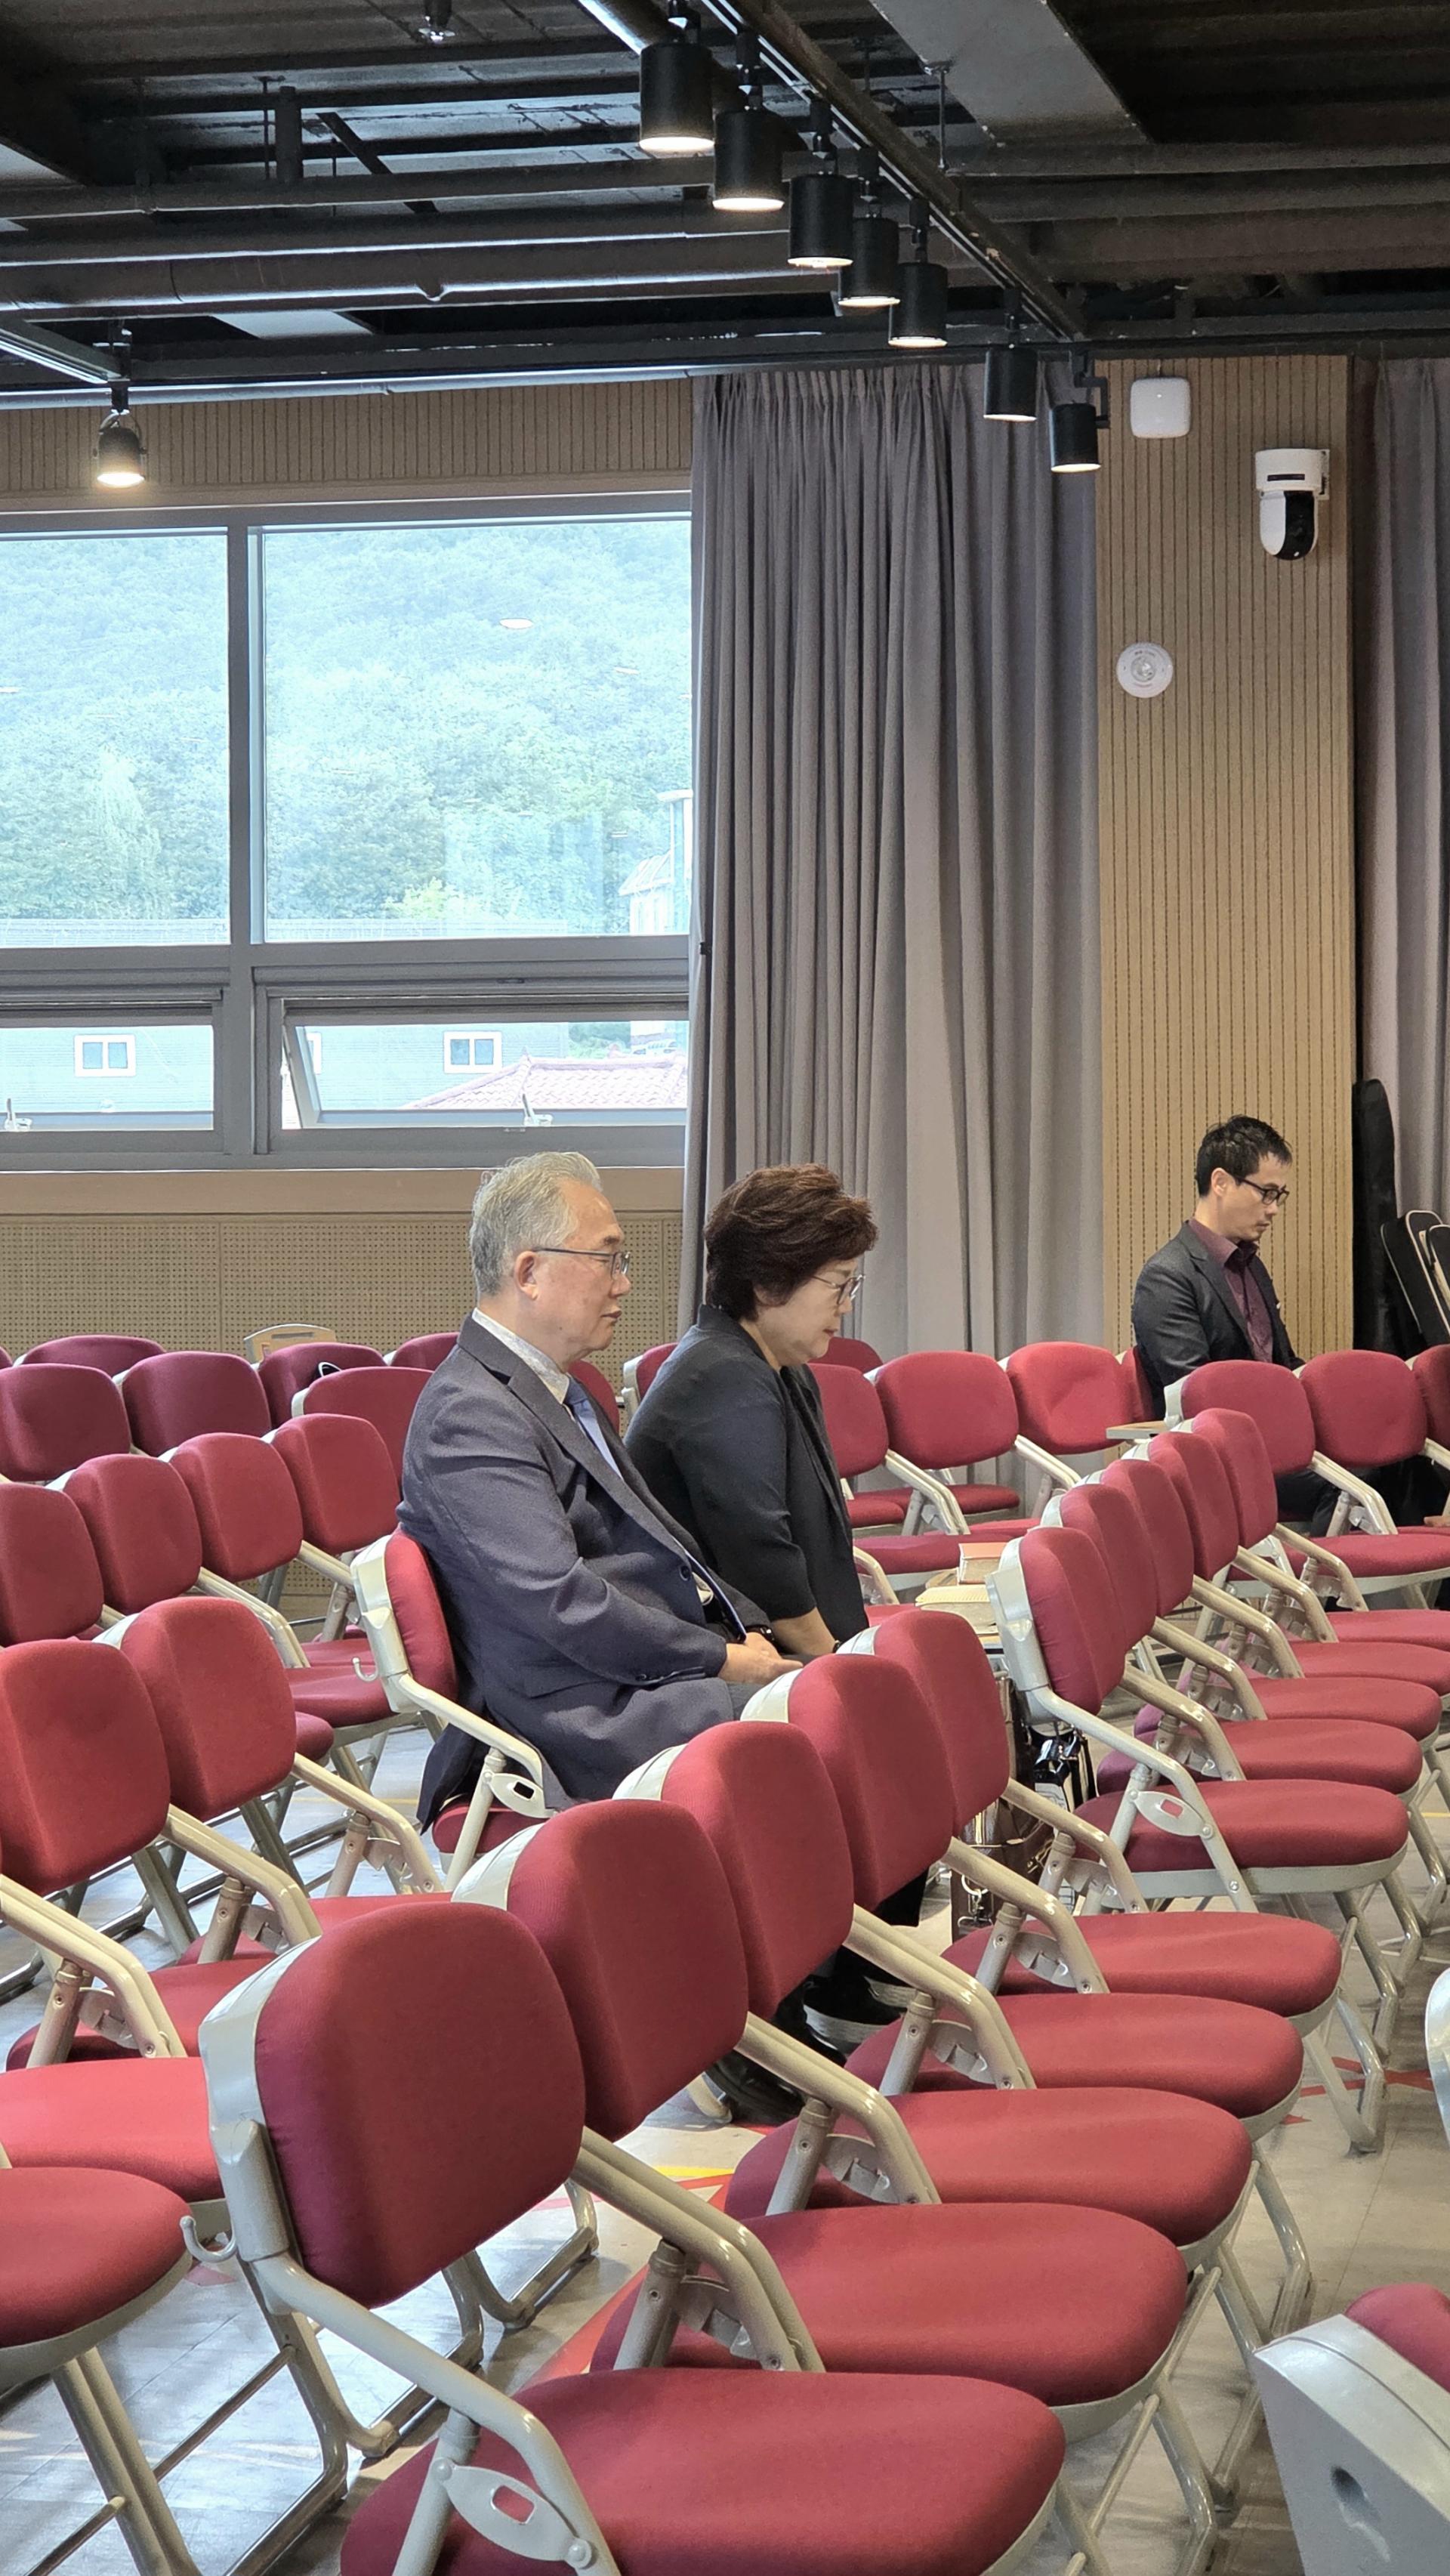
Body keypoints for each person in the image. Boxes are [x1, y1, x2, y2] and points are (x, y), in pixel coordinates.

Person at [400, 1151, 796, 1821]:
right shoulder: (470, 1414)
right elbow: (562, 1603)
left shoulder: (551, 1388)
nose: (624, 1283)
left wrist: (747, 1628)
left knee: (873, 1693)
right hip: (584, 1714)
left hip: (638, 1677)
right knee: (838, 1721)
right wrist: (721, 1658)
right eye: (608, 1259)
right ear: (529, 1272)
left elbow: (668, 1544)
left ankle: (904, 1884)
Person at [625, 1163, 877, 1656]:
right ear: (768, 1283)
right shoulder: (723, 1377)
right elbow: (762, 1562)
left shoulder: (777, 1366)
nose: (845, 1305)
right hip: (736, 1657)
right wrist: (840, 1669)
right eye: (838, 1284)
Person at [1131, 1115, 1300, 1418]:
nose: (1274, 1209)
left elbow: (1283, 1364)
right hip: (1215, 1439)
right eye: (1267, 1193)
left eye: (1279, 1196)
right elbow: (1195, 1390)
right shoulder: (1166, 1277)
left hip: (1272, 1430)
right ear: (1221, 1182)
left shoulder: (1253, 1267)